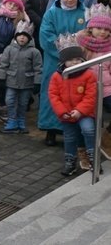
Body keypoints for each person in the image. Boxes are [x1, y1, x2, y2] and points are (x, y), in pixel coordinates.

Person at [38, 0, 88, 146]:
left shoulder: (85, 13)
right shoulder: (51, 14)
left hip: (78, 61)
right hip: (55, 61)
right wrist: (68, 49)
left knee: (76, 94)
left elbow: (89, 34)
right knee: (53, 93)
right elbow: (46, 36)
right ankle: (51, 129)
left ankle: (73, 130)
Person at [49, 33, 98, 176]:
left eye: (78, 59)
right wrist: (61, 111)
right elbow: (53, 95)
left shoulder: (88, 75)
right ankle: (70, 163)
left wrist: (80, 111)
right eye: (71, 60)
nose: (75, 63)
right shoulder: (57, 76)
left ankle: (92, 159)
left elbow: (91, 96)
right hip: (66, 113)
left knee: (88, 130)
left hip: (85, 113)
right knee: (69, 138)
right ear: (63, 62)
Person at [76, 4, 111, 159]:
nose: (102, 32)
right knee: (88, 122)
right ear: (91, 28)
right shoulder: (80, 43)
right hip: (86, 89)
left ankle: (106, 139)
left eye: (106, 29)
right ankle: (83, 151)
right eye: (99, 28)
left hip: (107, 87)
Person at [0, 22, 43, 134]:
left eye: (25, 36)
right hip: (11, 81)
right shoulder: (9, 49)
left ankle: (21, 121)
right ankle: (12, 120)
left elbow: (38, 68)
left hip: (27, 82)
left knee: (23, 103)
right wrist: (1, 79)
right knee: (9, 100)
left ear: (29, 38)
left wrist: (37, 83)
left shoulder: (34, 52)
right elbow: (3, 65)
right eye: (20, 35)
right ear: (16, 36)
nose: (22, 38)